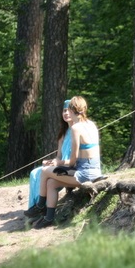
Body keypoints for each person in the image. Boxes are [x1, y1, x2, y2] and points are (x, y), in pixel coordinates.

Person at [24, 95, 102, 229]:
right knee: (51, 182)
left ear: (72, 110)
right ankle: (48, 218)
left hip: (84, 173)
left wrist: (58, 163)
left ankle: (39, 206)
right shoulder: (91, 124)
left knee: (44, 171)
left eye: (68, 109)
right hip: (93, 169)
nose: (67, 112)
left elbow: (73, 161)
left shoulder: (76, 128)